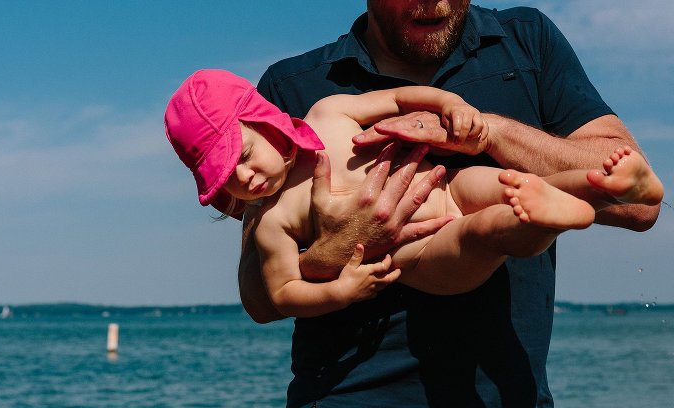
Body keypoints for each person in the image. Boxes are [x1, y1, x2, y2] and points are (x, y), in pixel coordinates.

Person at [237, 2, 662, 408]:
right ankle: (533, 220)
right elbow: (261, 298)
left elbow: (638, 205)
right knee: (485, 231)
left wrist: (490, 132)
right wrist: (346, 245)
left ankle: (540, 216)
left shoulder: (525, 41)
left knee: (504, 206)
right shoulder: (294, 87)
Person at [164, 69, 663, 319]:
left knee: (507, 185)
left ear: (264, 117)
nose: (246, 179)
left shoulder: (328, 112)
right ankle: (548, 218)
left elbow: (399, 98)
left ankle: (603, 187)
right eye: (226, 177)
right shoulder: (272, 219)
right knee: (489, 230)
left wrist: (450, 104)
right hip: (419, 254)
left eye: (245, 154)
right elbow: (278, 292)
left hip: (448, 185)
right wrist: (339, 286)